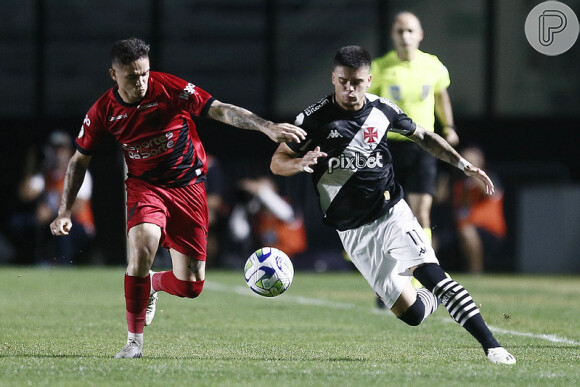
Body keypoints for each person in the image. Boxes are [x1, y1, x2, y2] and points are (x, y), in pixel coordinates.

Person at [49, 37, 306, 359]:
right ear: (114, 75)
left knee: (191, 286)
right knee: (142, 247)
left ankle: (153, 284)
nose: (141, 82)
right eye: (132, 76)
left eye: (144, 73)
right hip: (145, 187)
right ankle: (133, 342)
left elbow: (220, 110)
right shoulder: (103, 111)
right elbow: (79, 160)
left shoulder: (169, 88)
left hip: (189, 187)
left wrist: (266, 127)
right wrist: (64, 212)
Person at [270, 45, 516, 365]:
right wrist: (300, 162)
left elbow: (424, 137)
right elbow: (277, 162)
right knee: (412, 314)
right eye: (343, 81)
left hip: (392, 214)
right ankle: (434, 298)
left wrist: (461, 165)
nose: (349, 89)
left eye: (357, 82)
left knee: (434, 275)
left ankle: (493, 347)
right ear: (333, 78)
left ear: (369, 80)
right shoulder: (313, 119)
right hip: (352, 231)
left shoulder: (382, 109)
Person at [368, 11, 459, 243]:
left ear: (420, 35)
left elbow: (441, 97)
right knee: (385, 212)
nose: (405, 36)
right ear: (392, 35)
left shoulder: (433, 66)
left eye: (410, 31)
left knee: (421, 214)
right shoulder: (380, 68)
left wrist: (448, 127)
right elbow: (366, 105)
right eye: (400, 31)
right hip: (388, 147)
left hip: (423, 146)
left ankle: (423, 272)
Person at [12, 131, 95, 265]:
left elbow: (78, 207)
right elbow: (25, 194)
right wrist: (31, 165)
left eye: (61, 148)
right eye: (54, 148)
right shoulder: (46, 174)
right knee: (19, 223)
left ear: (68, 151)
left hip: (79, 226)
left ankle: (64, 266)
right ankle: (30, 262)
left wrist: (51, 212)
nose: (57, 153)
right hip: (51, 221)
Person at [452, 145, 507, 273]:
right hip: (464, 228)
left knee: (467, 231)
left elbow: (492, 195)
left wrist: (474, 175)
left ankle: (476, 272)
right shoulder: (460, 185)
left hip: (490, 231)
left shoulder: (489, 179)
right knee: (435, 238)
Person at [228, 176, 306, 259]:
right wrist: (243, 204)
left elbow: (285, 213)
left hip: (293, 258)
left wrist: (260, 190)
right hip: (266, 259)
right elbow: (238, 234)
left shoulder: (288, 206)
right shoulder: (256, 213)